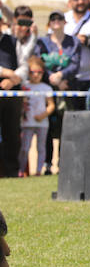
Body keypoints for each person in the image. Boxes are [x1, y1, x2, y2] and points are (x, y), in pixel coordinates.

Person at [34, 11, 81, 173]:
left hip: (67, 88)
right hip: (47, 88)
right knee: (48, 125)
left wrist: (61, 76)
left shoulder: (73, 42)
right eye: (52, 19)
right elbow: (39, 63)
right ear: (48, 23)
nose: (56, 21)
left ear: (64, 22)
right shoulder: (42, 42)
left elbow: (75, 64)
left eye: (59, 19)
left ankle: (63, 161)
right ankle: (47, 162)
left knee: (66, 126)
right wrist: (52, 78)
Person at [18, 56, 54, 176]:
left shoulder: (46, 88)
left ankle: (39, 171)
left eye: (39, 72)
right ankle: (21, 171)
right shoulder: (24, 86)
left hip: (42, 123)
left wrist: (43, 115)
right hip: (27, 123)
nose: (36, 75)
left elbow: (51, 105)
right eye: (33, 72)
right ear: (28, 72)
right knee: (24, 148)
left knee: (41, 148)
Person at [0, 29, 22, 178]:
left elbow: (24, 64)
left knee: (12, 134)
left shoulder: (13, 41)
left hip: (12, 94)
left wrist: (13, 79)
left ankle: (12, 172)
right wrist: (5, 73)